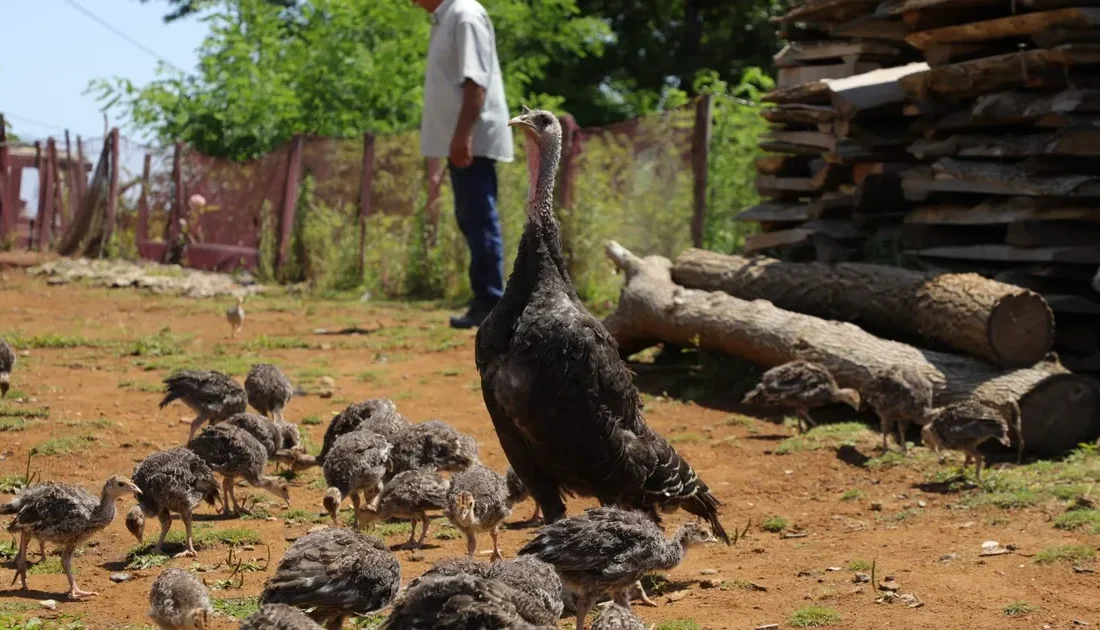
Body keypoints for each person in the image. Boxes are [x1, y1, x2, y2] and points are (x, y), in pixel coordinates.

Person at [412, 0, 514, 329]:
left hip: (472, 142)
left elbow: (475, 84)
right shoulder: (448, 19)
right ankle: (484, 299)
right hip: (461, 140)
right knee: (471, 219)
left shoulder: (464, 15)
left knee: (480, 220)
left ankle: (491, 303)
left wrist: (462, 137)